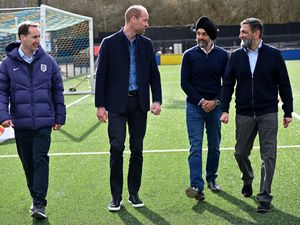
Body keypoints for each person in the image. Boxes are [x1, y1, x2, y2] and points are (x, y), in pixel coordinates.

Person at [220, 18, 293, 213]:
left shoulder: (274, 55)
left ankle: (264, 196)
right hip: (244, 114)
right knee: (240, 153)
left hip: (268, 112)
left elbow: (284, 84)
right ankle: (248, 178)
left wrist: (287, 111)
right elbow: (228, 84)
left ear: (257, 33)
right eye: (241, 31)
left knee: (268, 156)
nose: (240, 35)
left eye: (244, 32)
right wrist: (224, 109)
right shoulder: (235, 56)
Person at [95, 5, 162, 212]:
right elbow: (101, 76)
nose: (147, 24)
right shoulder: (109, 43)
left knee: (137, 148)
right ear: (133, 19)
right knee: (116, 148)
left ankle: (134, 193)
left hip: (139, 104)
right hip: (116, 105)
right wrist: (100, 105)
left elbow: (154, 74)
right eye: (145, 20)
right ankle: (116, 196)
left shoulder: (147, 44)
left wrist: (157, 100)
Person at [0, 21, 66, 219]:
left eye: (39, 36)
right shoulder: (7, 64)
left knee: (40, 159)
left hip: (44, 122)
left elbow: (57, 90)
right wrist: (3, 115)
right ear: (22, 38)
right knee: (28, 163)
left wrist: (60, 116)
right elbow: (2, 92)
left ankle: (39, 203)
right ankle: (35, 198)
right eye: (35, 37)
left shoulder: (49, 61)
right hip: (21, 123)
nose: (39, 40)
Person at [181, 16, 229, 201]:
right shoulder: (189, 55)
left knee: (214, 146)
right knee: (195, 147)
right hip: (194, 107)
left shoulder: (223, 56)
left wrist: (216, 102)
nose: (200, 37)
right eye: (198, 33)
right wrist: (201, 101)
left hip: (215, 108)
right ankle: (197, 186)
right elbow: (184, 83)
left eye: (203, 34)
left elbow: (227, 83)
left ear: (211, 35)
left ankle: (211, 179)